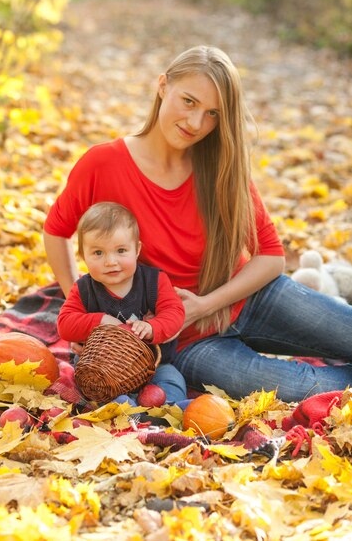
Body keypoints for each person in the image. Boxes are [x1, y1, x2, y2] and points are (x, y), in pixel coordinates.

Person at [44, 45, 352, 403]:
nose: (195, 123)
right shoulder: (103, 164)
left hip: (250, 297)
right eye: (188, 102)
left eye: (212, 114)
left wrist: (206, 304)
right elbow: (56, 231)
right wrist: (79, 307)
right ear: (163, 86)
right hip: (188, 341)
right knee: (307, 388)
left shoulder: (220, 166)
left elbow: (271, 256)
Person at [57, 201, 187, 404]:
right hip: (102, 370)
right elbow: (65, 324)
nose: (110, 261)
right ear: (83, 256)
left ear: (136, 250)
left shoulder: (154, 281)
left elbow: (175, 312)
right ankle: (126, 410)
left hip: (154, 366)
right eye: (98, 253)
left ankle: (165, 411)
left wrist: (153, 327)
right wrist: (102, 321)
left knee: (172, 382)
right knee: (105, 396)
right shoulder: (83, 289)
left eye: (121, 251)